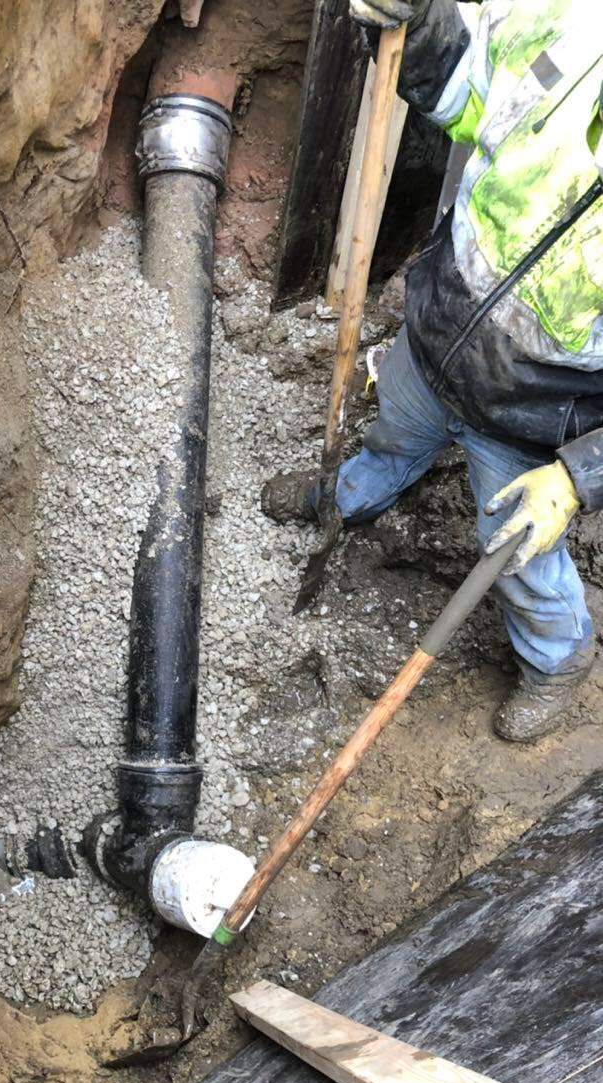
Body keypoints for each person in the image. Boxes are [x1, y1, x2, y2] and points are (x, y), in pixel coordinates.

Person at [264, 0, 603, 742]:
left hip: (533, 413)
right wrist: (415, 23)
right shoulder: (567, 20)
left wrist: (578, 478)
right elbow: (462, 86)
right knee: (393, 435)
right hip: (439, 332)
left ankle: (558, 656)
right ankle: (348, 496)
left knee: (515, 552)